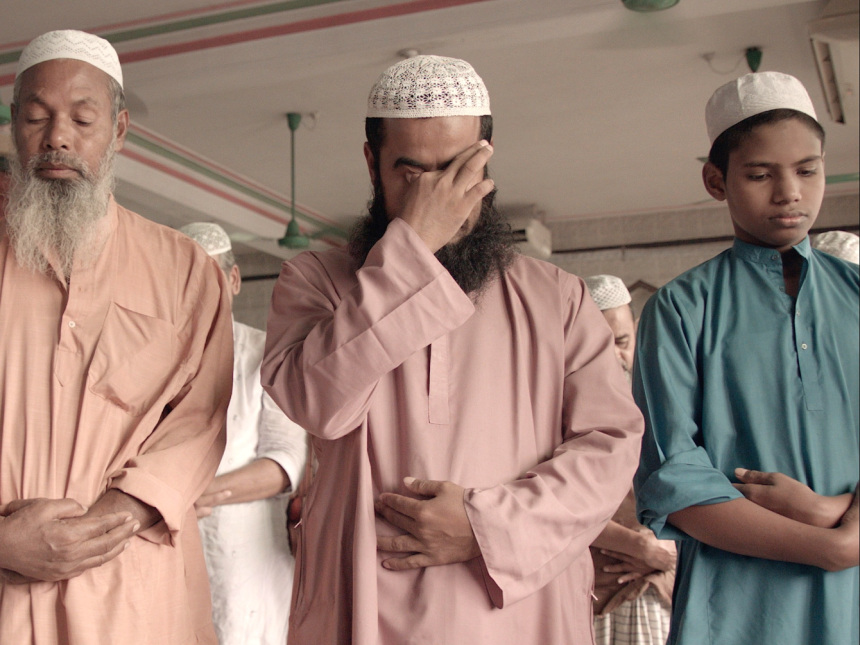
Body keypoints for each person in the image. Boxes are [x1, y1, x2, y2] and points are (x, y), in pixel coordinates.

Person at [261, 54, 644, 644]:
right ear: (371, 163)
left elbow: (610, 449)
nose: (439, 196)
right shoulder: (316, 282)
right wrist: (412, 247)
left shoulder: (559, 298)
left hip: (519, 613)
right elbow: (318, 404)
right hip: (366, 607)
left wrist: (485, 528)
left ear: (486, 158)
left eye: (456, 170)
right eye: (412, 174)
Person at [0, 30, 233, 644]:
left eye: (82, 119)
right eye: (36, 117)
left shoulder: (184, 269)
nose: (57, 137)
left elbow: (199, 420)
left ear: (120, 130)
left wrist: (112, 521)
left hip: (128, 587)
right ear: (13, 125)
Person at [633, 71, 859, 645]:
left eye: (808, 170)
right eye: (760, 174)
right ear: (717, 181)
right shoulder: (681, 309)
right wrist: (830, 547)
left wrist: (829, 510)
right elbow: (672, 479)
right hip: (740, 606)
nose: (789, 192)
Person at [181, 222, 307, 645]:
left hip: (245, 558)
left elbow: (286, 464)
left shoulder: (267, 356)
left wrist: (198, 495)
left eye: (210, 278)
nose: (197, 294)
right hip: (170, 545)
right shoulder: (153, 360)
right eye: (184, 281)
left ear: (234, 280)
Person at [584, 275, 674, 645]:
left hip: (657, 590)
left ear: (636, 333)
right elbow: (553, 508)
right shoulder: (551, 413)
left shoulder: (664, 405)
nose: (613, 358)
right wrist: (636, 546)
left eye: (621, 343)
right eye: (599, 346)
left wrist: (666, 547)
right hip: (589, 592)